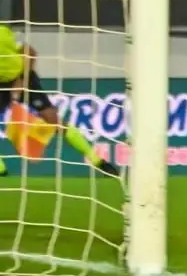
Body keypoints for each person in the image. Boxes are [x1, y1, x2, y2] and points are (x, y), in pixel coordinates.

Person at [0, 25, 116, 178]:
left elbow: (29, 52)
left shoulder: (3, 33)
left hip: (22, 77)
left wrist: (22, 80)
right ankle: (2, 170)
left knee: (53, 120)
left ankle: (98, 161)